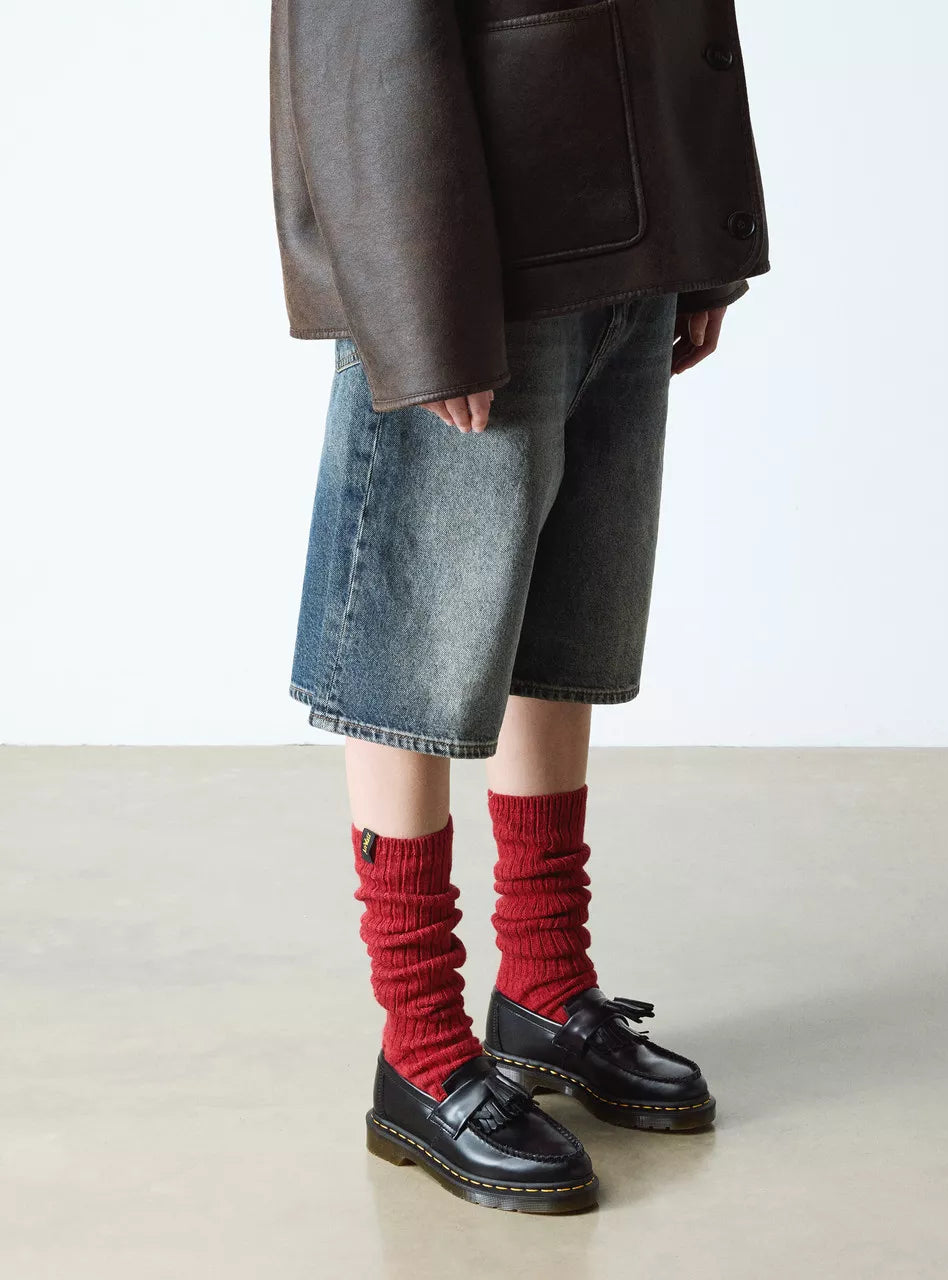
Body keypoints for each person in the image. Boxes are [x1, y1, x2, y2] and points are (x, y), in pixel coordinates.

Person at [269, 0, 768, 1213]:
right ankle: (419, 1049)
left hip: (624, 235)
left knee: (563, 623)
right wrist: (419, 313)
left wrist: (700, 234)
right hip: (466, 262)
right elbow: (359, 43)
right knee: (413, 643)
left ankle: (544, 985)